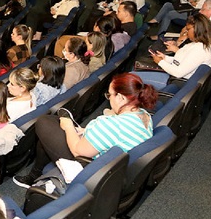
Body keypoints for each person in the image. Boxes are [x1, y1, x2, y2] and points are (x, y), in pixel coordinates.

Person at [13, 73, 157, 188]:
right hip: (111, 167)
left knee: (44, 122)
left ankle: (34, 176)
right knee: (51, 128)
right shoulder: (144, 116)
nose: (109, 99)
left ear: (120, 97)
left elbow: (77, 151)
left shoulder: (112, 124)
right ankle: (34, 176)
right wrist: (86, 132)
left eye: (110, 95)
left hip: (87, 168)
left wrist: (69, 127)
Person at [141, 14, 211, 90]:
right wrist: (165, 58)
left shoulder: (200, 50)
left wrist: (160, 62)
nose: (186, 32)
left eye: (188, 29)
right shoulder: (199, 44)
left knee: (132, 77)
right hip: (172, 73)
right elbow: (182, 61)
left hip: (175, 81)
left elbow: (178, 73)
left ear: (197, 29)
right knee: (139, 66)